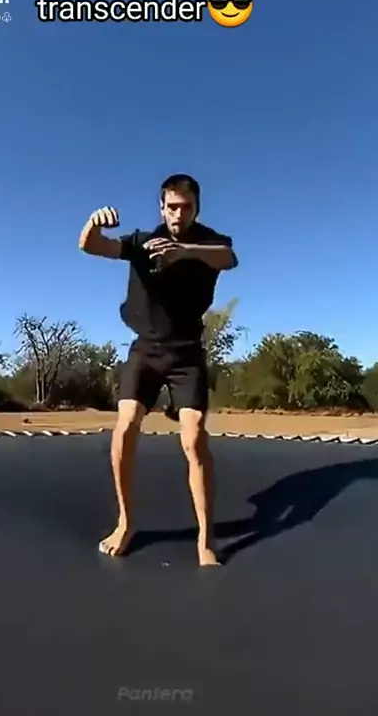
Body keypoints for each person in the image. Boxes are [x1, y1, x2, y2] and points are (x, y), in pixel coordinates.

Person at [78, 174, 238, 565]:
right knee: (126, 426)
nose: (178, 214)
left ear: (196, 208)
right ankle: (126, 522)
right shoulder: (142, 242)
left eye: (186, 207)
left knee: (194, 438)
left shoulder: (209, 243)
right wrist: (93, 225)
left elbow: (228, 258)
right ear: (162, 208)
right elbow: (91, 246)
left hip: (186, 354)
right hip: (146, 351)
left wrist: (184, 252)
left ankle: (205, 540)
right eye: (172, 207)